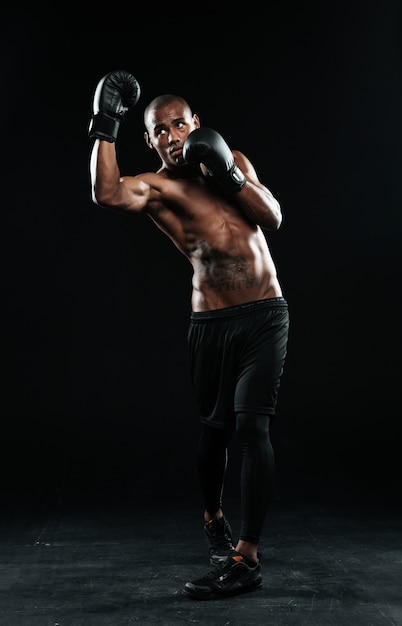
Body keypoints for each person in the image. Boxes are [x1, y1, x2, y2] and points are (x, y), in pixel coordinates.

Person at [88, 70, 290, 600]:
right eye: (160, 130)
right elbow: (106, 192)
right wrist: (105, 122)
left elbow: (273, 216)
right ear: (150, 140)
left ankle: (246, 555)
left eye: (179, 124)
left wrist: (231, 174)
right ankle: (213, 517)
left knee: (253, 425)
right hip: (212, 324)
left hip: (266, 314)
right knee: (214, 432)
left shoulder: (233, 160)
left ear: (196, 123)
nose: (173, 135)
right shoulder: (158, 188)